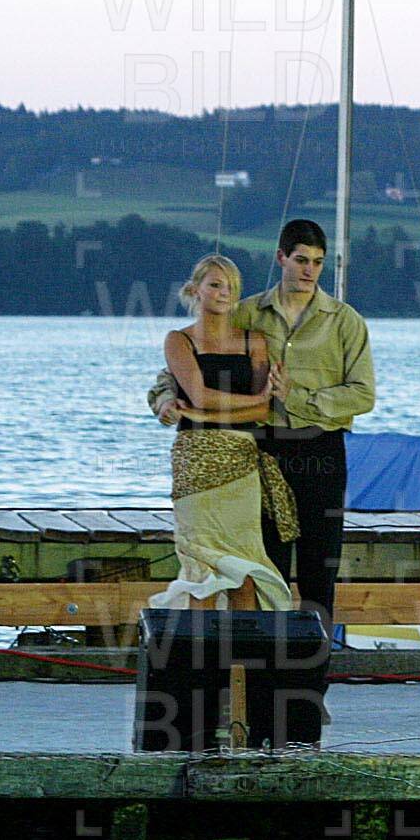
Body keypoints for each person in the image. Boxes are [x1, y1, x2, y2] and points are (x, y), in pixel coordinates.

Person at [151, 219, 374, 625]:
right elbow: (182, 368)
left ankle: (314, 664)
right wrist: (164, 397)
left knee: (319, 566)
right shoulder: (247, 312)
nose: (309, 270)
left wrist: (297, 397)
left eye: (318, 262)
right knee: (264, 564)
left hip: (321, 451)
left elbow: (363, 395)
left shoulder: (345, 320)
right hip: (260, 452)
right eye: (301, 260)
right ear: (281, 258)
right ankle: (263, 664)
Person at [148, 255, 298, 613]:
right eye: (215, 284)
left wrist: (202, 412)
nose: (224, 292)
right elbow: (201, 394)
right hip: (196, 460)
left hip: (241, 462)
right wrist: (251, 400)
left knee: (244, 568)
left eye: (231, 286)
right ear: (195, 290)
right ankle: (199, 649)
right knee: (201, 569)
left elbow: (262, 412)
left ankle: (243, 647)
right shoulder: (179, 340)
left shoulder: (254, 341)